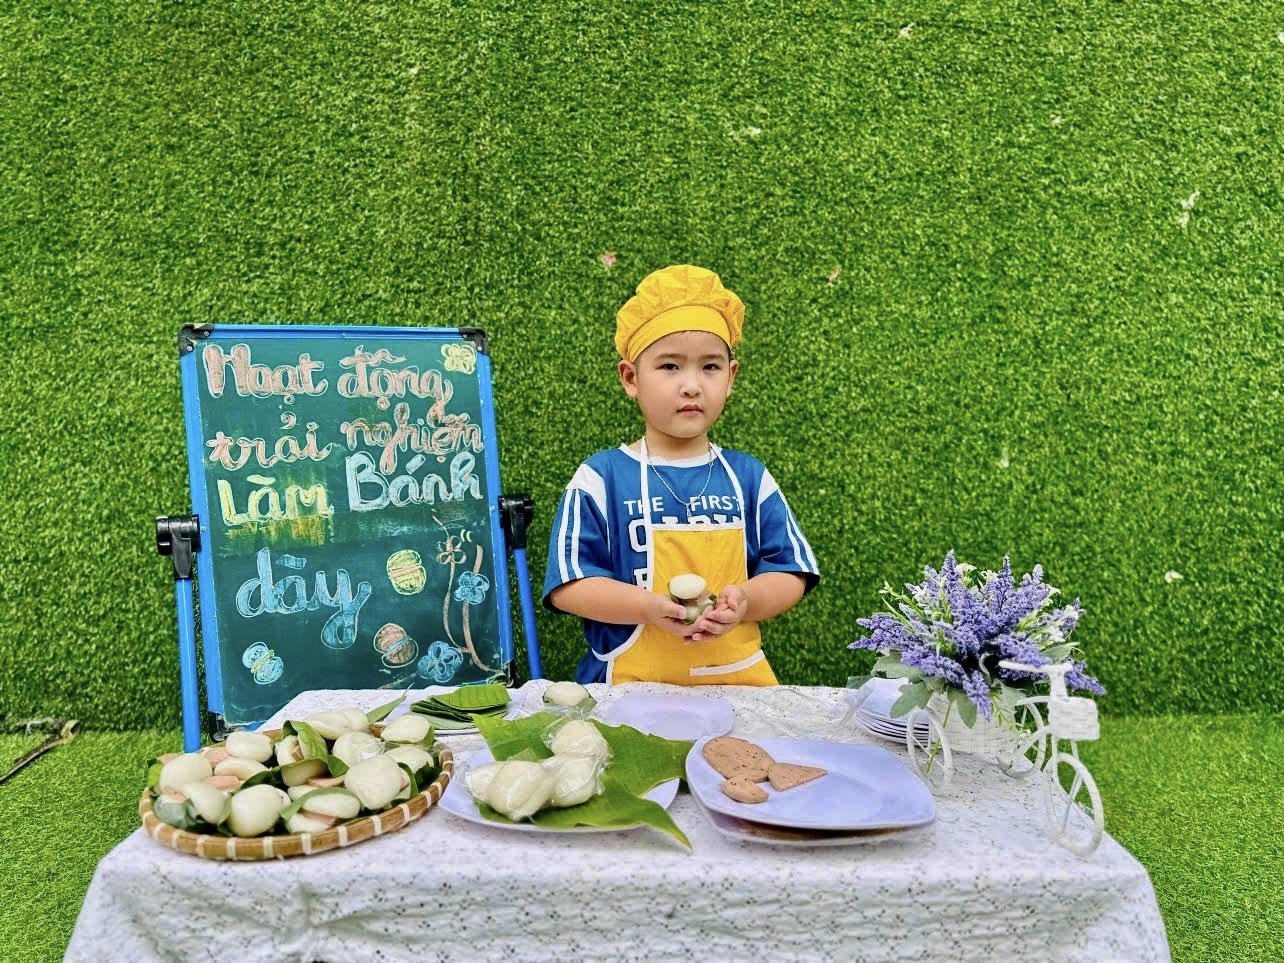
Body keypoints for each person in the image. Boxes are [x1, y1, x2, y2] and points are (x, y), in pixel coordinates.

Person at [543, 264, 819, 685]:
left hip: (739, 688)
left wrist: (746, 600)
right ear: (631, 378)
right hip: (630, 692)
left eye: (710, 367)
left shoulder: (749, 477)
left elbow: (791, 572)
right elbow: (569, 586)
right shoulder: (600, 479)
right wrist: (647, 608)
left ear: (731, 377)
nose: (691, 385)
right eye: (670, 366)